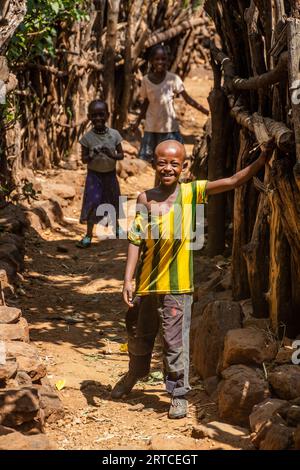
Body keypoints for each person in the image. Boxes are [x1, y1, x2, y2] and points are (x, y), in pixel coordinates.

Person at [111, 139, 273, 419]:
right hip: (147, 285)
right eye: (162, 162)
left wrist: (261, 161)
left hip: (178, 288)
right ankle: (134, 374)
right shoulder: (144, 199)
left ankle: (177, 394)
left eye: (174, 163)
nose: (168, 168)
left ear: (184, 167)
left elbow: (233, 181)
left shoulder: (191, 193)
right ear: (154, 165)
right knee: (139, 335)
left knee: (174, 342)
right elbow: (135, 239)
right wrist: (128, 279)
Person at [131, 44, 209, 164]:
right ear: (151, 61)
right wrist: (137, 122)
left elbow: (187, 99)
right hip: (152, 127)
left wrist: (206, 111)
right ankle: (157, 183)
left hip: (169, 129)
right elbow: (146, 102)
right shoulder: (146, 80)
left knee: (171, 159)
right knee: (152, 162)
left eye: (163, 59)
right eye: (157, 59)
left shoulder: (173, 79)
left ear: (167, 61)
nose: (160, 62)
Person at [77, 100, 124, 248]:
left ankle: (116, 227)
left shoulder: (114, 135)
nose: (98, 118)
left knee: (114, 200)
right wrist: (92, 155)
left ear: (107, 115)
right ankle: (89, 235)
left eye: (101, 115)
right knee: (92, 203)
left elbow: (121, 155)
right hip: (94, 176)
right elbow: (84, 160)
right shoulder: (87, 138)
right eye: (94, 115)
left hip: (110, 175)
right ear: (89, 117)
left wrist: (111, 154)